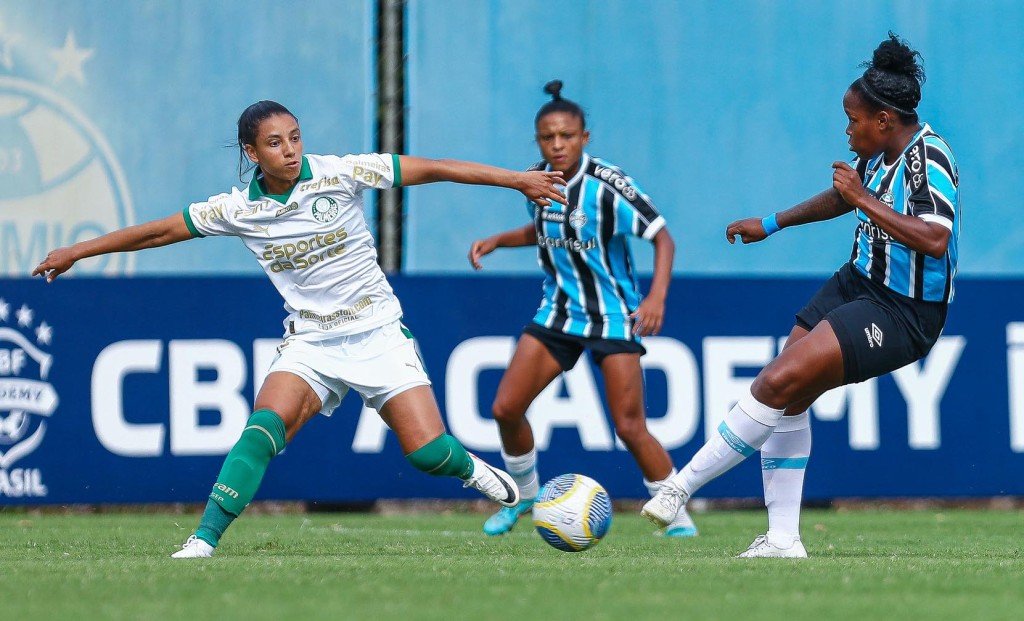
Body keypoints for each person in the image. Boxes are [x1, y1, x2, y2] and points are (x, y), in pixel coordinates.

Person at [32, 100, 568, 558]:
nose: (289, 150)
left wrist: (517, 179)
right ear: (252, 153)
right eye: (274, 142)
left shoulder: (341, 172)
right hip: (311, 341)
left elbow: (434, 168)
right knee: (261, 431)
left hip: (378, 332)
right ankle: (203, 541)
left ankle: (475, 471)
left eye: (294, 137)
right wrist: (79, 250)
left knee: (427, 454)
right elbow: (158, 233)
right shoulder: (237, 209)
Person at [643, 34, 959, 558]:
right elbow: (842, 199)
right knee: (790, 391)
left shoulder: (930, 158)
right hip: (859, 281)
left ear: (884, 120)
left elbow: (935, 238)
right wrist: (771, 223)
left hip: (904, 311)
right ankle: (783, 539)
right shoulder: (880, 153)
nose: (847, 129)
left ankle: (680, 487)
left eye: (853, 120)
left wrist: (863, 199)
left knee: (776, 381)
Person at [468, 80, 695, 538]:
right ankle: (525, 495)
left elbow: (662, 237)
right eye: (548, 137)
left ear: (584, 137)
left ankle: (676, 515)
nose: (557, 145)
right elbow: (544, 229)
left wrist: (656, 298)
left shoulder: (609, 185)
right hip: (559, 313)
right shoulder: (536, 181)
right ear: (538, 141)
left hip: (612, 316)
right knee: (506, 407)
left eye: (566, 136)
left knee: (629, 426)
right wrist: (499, 240)